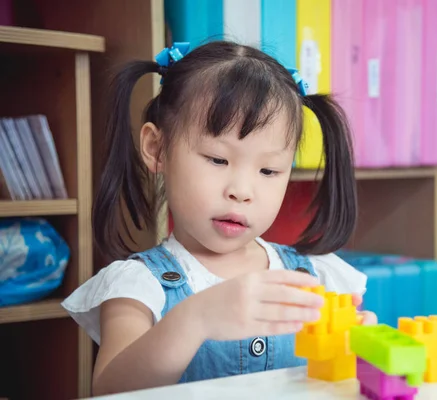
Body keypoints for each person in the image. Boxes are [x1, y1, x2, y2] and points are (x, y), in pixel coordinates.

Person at [62, 40, 376, 396]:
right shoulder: (138, 287)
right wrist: (196, 318)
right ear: (156, 149)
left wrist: (356, 348)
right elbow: (110, 391)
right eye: (217, 159)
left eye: (269, 170)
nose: (241, 190)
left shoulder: (316, 277)